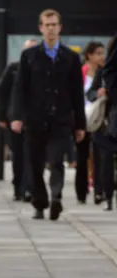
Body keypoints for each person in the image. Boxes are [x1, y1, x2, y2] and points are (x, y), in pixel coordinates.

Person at [10, 8, 86, 221]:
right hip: (35, 118)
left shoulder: (70, 58)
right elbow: (20, 89)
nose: (51, 29)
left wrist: (80, 125)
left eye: (54, 25)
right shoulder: (29, 56)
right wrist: (16, 116)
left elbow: (77, 94)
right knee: (34, 163)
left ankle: (56, 197)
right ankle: (40, 203)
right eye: (47, 25)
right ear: (40, 28)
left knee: (56, 160)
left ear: (60, 28)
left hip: (61, 119)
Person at [0, 38, 38, 202]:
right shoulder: (13, 69)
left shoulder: (42, 70)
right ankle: (18, 186)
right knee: (18, 154)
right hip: (14, 119)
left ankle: (29, 188)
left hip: (34, 119)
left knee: (32, 154)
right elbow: (1, 92)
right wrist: (2, 116)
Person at [87, 37, 115, 210]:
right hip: (105, 121)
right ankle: (106, 194)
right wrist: (98, 93)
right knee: (104, 160)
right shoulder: (104, 72)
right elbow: (90, 93)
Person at [77, 41, 106, 205]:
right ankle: (81, 191)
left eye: (103, 53)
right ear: (89, 55)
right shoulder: (81, 72)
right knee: (82, 156)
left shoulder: (104, 73)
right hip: (82, 118)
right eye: (98, 53)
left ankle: (98, 190)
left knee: (98, 155)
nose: (102, 57)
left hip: (98, 118)